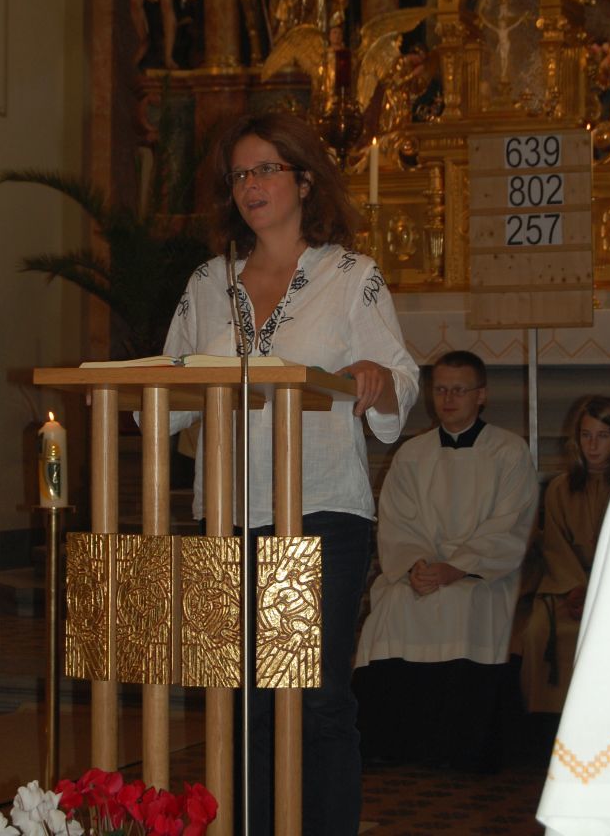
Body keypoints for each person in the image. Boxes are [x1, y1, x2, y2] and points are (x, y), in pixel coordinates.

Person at [163, 111, 419, 836]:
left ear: (304, 181)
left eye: (265, 170)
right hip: (229, 514)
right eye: (239, 174)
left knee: (313, 699)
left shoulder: (349, 277)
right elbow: (169, 394)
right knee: (245, 703)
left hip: (319, 511)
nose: (250, 185)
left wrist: (375, 377)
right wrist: (127, 390)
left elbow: (401, 381)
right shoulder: (208, 282)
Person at [354, 350, 538, 771]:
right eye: (440, 390)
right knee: (394, 605)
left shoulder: (510, 452)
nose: (448, 399)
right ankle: (393, 744)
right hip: (421, 573)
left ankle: (463, 749)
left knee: (464, 603)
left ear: (481, 395)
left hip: (483, 574)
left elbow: (511, 524)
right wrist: (417, 566)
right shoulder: (411, 454)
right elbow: (398, 523)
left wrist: (458, 567)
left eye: (459, 390)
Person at [520, 395, 610, 715]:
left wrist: (600, 592)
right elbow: (555, 547)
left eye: (602, 436)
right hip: (568, 587)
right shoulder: (560, 488)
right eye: (586, 435)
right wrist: (575, 588)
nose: (593, 446)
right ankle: (548, 720)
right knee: (537, 632)